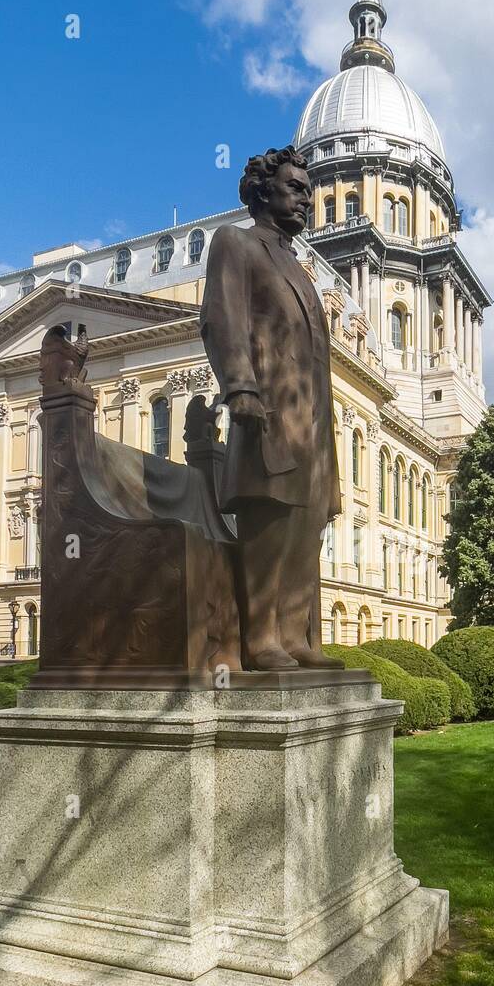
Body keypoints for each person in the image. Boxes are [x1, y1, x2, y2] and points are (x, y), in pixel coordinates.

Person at [201, 146, 344, 671]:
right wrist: (240, 387)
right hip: (268, 414)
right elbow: (223, 318)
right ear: (265, 191)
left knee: (306, 529)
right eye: (296, 188)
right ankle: (261, 638)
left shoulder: (300, 269)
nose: (308, 197)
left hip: (313, 427)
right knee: (270, 521)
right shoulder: (236, 244)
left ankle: (295, 636)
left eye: (308, 189)